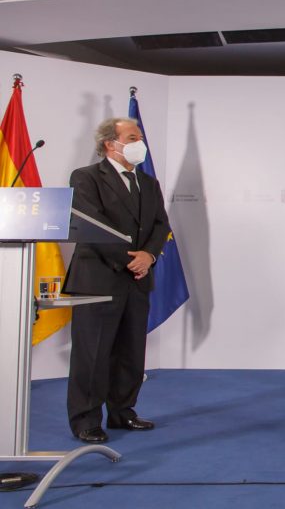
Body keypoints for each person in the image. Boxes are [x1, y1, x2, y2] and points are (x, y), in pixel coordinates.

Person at [64, 117, 171, 443]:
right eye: (133, 136)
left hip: (137, 280)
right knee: (93, 353)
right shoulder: (86, 177)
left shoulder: (148, 183)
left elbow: (159, 225)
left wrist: (149, 256)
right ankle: (86, 420)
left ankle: (123, 412)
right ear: (111, 143)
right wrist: (131, 259)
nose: (141, 142)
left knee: (130, 350)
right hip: (98, 279)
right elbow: (89, 223)